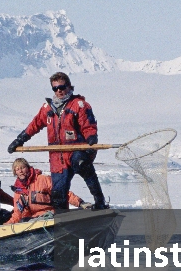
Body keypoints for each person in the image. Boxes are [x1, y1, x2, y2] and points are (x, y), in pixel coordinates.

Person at [7, 72, 107, 210]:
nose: (59, 90)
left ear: (69, 86)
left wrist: (91, 140)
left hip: (76, 150)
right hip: (57, 156)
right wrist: (20, 140)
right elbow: (34, 125)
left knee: (83, 165)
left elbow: (88, 126)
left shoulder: (80, 105)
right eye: (55, 88)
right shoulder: (47, 108)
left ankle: (100, 201)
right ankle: (62, 217)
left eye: (62, 87)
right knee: (58, 192)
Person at [6, 158, 91, 224]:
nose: (20, 171)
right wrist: (5, 227)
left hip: (50, 216)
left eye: (23, 168)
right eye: (17, 169)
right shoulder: (18, 191)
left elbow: (62, 193)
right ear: (15, 172)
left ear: (28, 168)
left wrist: (80, 203)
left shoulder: (43, 180)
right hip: (32, 221)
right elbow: (17, 214)